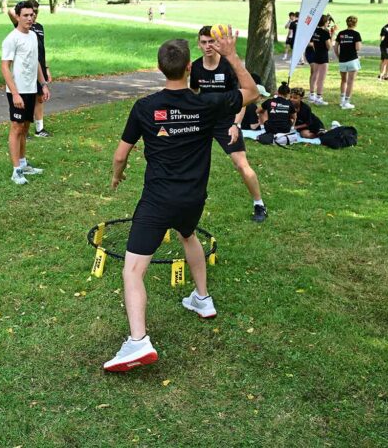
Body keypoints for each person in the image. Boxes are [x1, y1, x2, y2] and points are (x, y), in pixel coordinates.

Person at [104, 31, 259, 372]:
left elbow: (120, 155)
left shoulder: (145, 107)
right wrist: (232, 56)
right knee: (187, 234)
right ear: (189, 67)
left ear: (160, 68)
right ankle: (201, 299)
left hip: (158, 200)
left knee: (132, 270)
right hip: (192, 196)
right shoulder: (206, 103)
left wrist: (117, 174)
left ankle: (138, 342)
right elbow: (251, 93)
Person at [190, 26, 269, 222]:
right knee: (192, 163)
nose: (208, 46)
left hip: (227, 121)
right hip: (204, 120)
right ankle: (189, 203)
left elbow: (243, 98)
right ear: (198, 44)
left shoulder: (228, 66)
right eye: (204, 42)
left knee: (241, 164)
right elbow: (193, 93)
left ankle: (259, 204)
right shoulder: (196, 67)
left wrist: (236, 125)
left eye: (211, 42)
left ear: (217, 43)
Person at [1, 1, 50, 185]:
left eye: (32, 15)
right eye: (26, 15)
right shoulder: (11, 38)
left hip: (31, 89)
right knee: (16, 128)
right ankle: (16, 171)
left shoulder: (33, 36)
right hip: (17, 91)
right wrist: (15, 93)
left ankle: (23, 163)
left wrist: (43, 84)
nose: (30, 18)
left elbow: (36, 62)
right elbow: (5, 67)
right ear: (18, 16)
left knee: (25, 127)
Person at [7, 0, 52, 137]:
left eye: (34, 13)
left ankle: (39, 128)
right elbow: (11, 12)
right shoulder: (21, 27)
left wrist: (46, 68)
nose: (32, 16)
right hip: (26, 71)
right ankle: (22, 127)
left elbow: (41, 50)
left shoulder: (39, 28)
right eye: (28, 13)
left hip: (39, 66)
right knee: (25, 98)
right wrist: (22, 10)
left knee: (40, 98)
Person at [335, 16, 362, 109]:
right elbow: (358, 48)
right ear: (355, 23)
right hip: (352, 60)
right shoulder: (356, 34)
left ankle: (342, 100)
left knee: (343, 80)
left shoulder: (341, 33)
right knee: (350, 81)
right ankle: (347, 102)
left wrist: (339, 56)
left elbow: (335, 47)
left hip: (342, 60)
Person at [307, 16, 333, 105]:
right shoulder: (325, 32)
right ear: (325, 22)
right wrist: (332, 35)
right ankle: (319, 98)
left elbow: (313, 43)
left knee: (314, 75)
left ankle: (311, 95)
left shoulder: (314, 31)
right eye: (327, 22)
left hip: (316, 54)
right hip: (323, 56)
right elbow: (329, 46)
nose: (328, 23)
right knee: (321, 78)